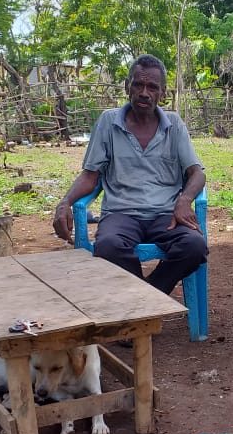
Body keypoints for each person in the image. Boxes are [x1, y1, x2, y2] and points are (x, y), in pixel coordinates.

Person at [52, 54, 208, 296]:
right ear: (127, 87)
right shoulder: (108, 122)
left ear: (162, 93)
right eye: (138, 84)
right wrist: (65, 203)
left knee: (195, 246)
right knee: (109, 247)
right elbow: (90, 176)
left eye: (152, 87)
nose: (144, 92)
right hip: (121, 214)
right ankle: (150, 302)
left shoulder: (174, 125)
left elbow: (196, 173)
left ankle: (147, 299)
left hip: (165, 216)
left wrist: (184, 200)